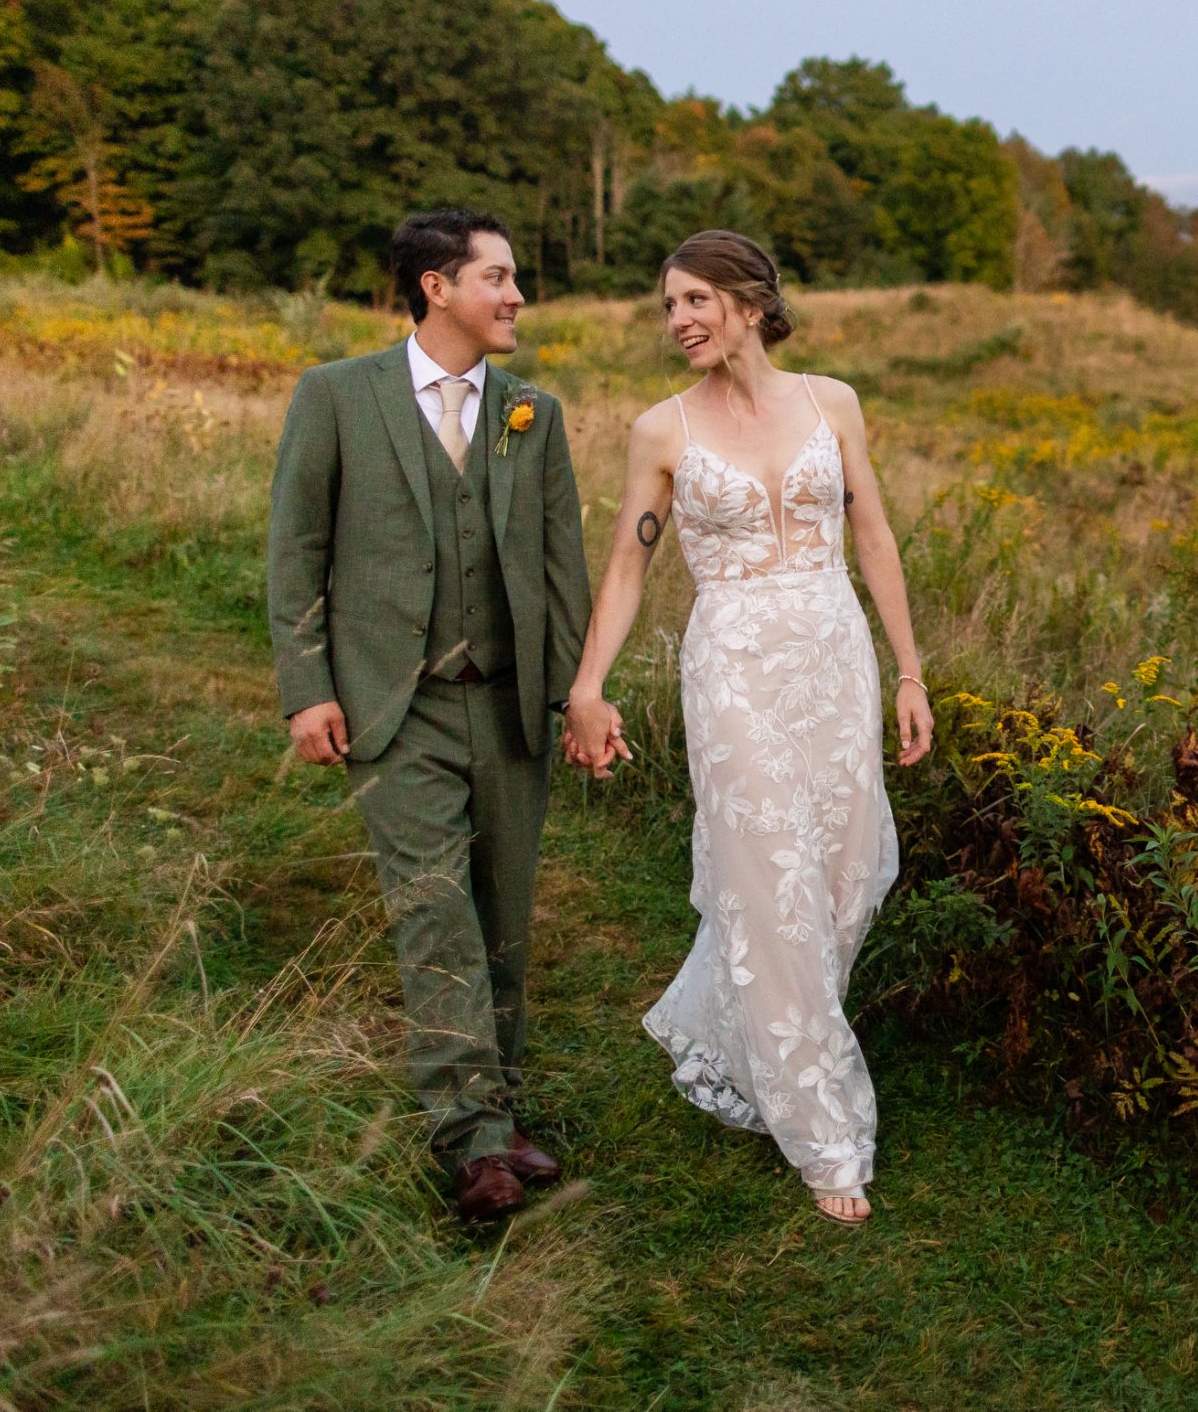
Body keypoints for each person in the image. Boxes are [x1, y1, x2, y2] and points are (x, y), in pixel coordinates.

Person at [563, 229, 932, 1227]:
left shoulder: (833, 402)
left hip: (834, 654)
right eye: (667, 305)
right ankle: (822, 1129)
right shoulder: (660, 429)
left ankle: (746, 1031)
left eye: (693, 299)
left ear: (750, 299)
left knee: (850, 872)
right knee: (769, 880)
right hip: (730, 665)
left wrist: (909, 669)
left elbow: (873, 533)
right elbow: (630, 565)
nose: (676, 319)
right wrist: (588, 684)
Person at [265, 207, 591, 1223]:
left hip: (508, 707)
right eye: (497, 276)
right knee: (435, 910)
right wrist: (307, 684)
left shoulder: (531, 411)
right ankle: (473, 1142)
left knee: (501, 914)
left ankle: (499, 1102)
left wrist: (576, 692)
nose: (516, 296)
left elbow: (561, 569)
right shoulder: (335, 395)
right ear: (435, 286)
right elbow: (294, 550)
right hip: (391, 707)